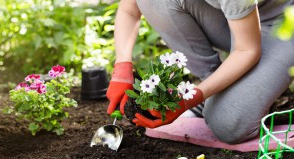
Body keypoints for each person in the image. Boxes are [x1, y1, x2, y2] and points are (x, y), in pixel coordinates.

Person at [106, 0, 294, 144]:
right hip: (237, 20)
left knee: (227, 125)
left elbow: (247, 50)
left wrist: (189, 100)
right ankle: (215, 90)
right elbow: (129, 10)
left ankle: (222, 98)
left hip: (283, 23)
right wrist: (122, 68)